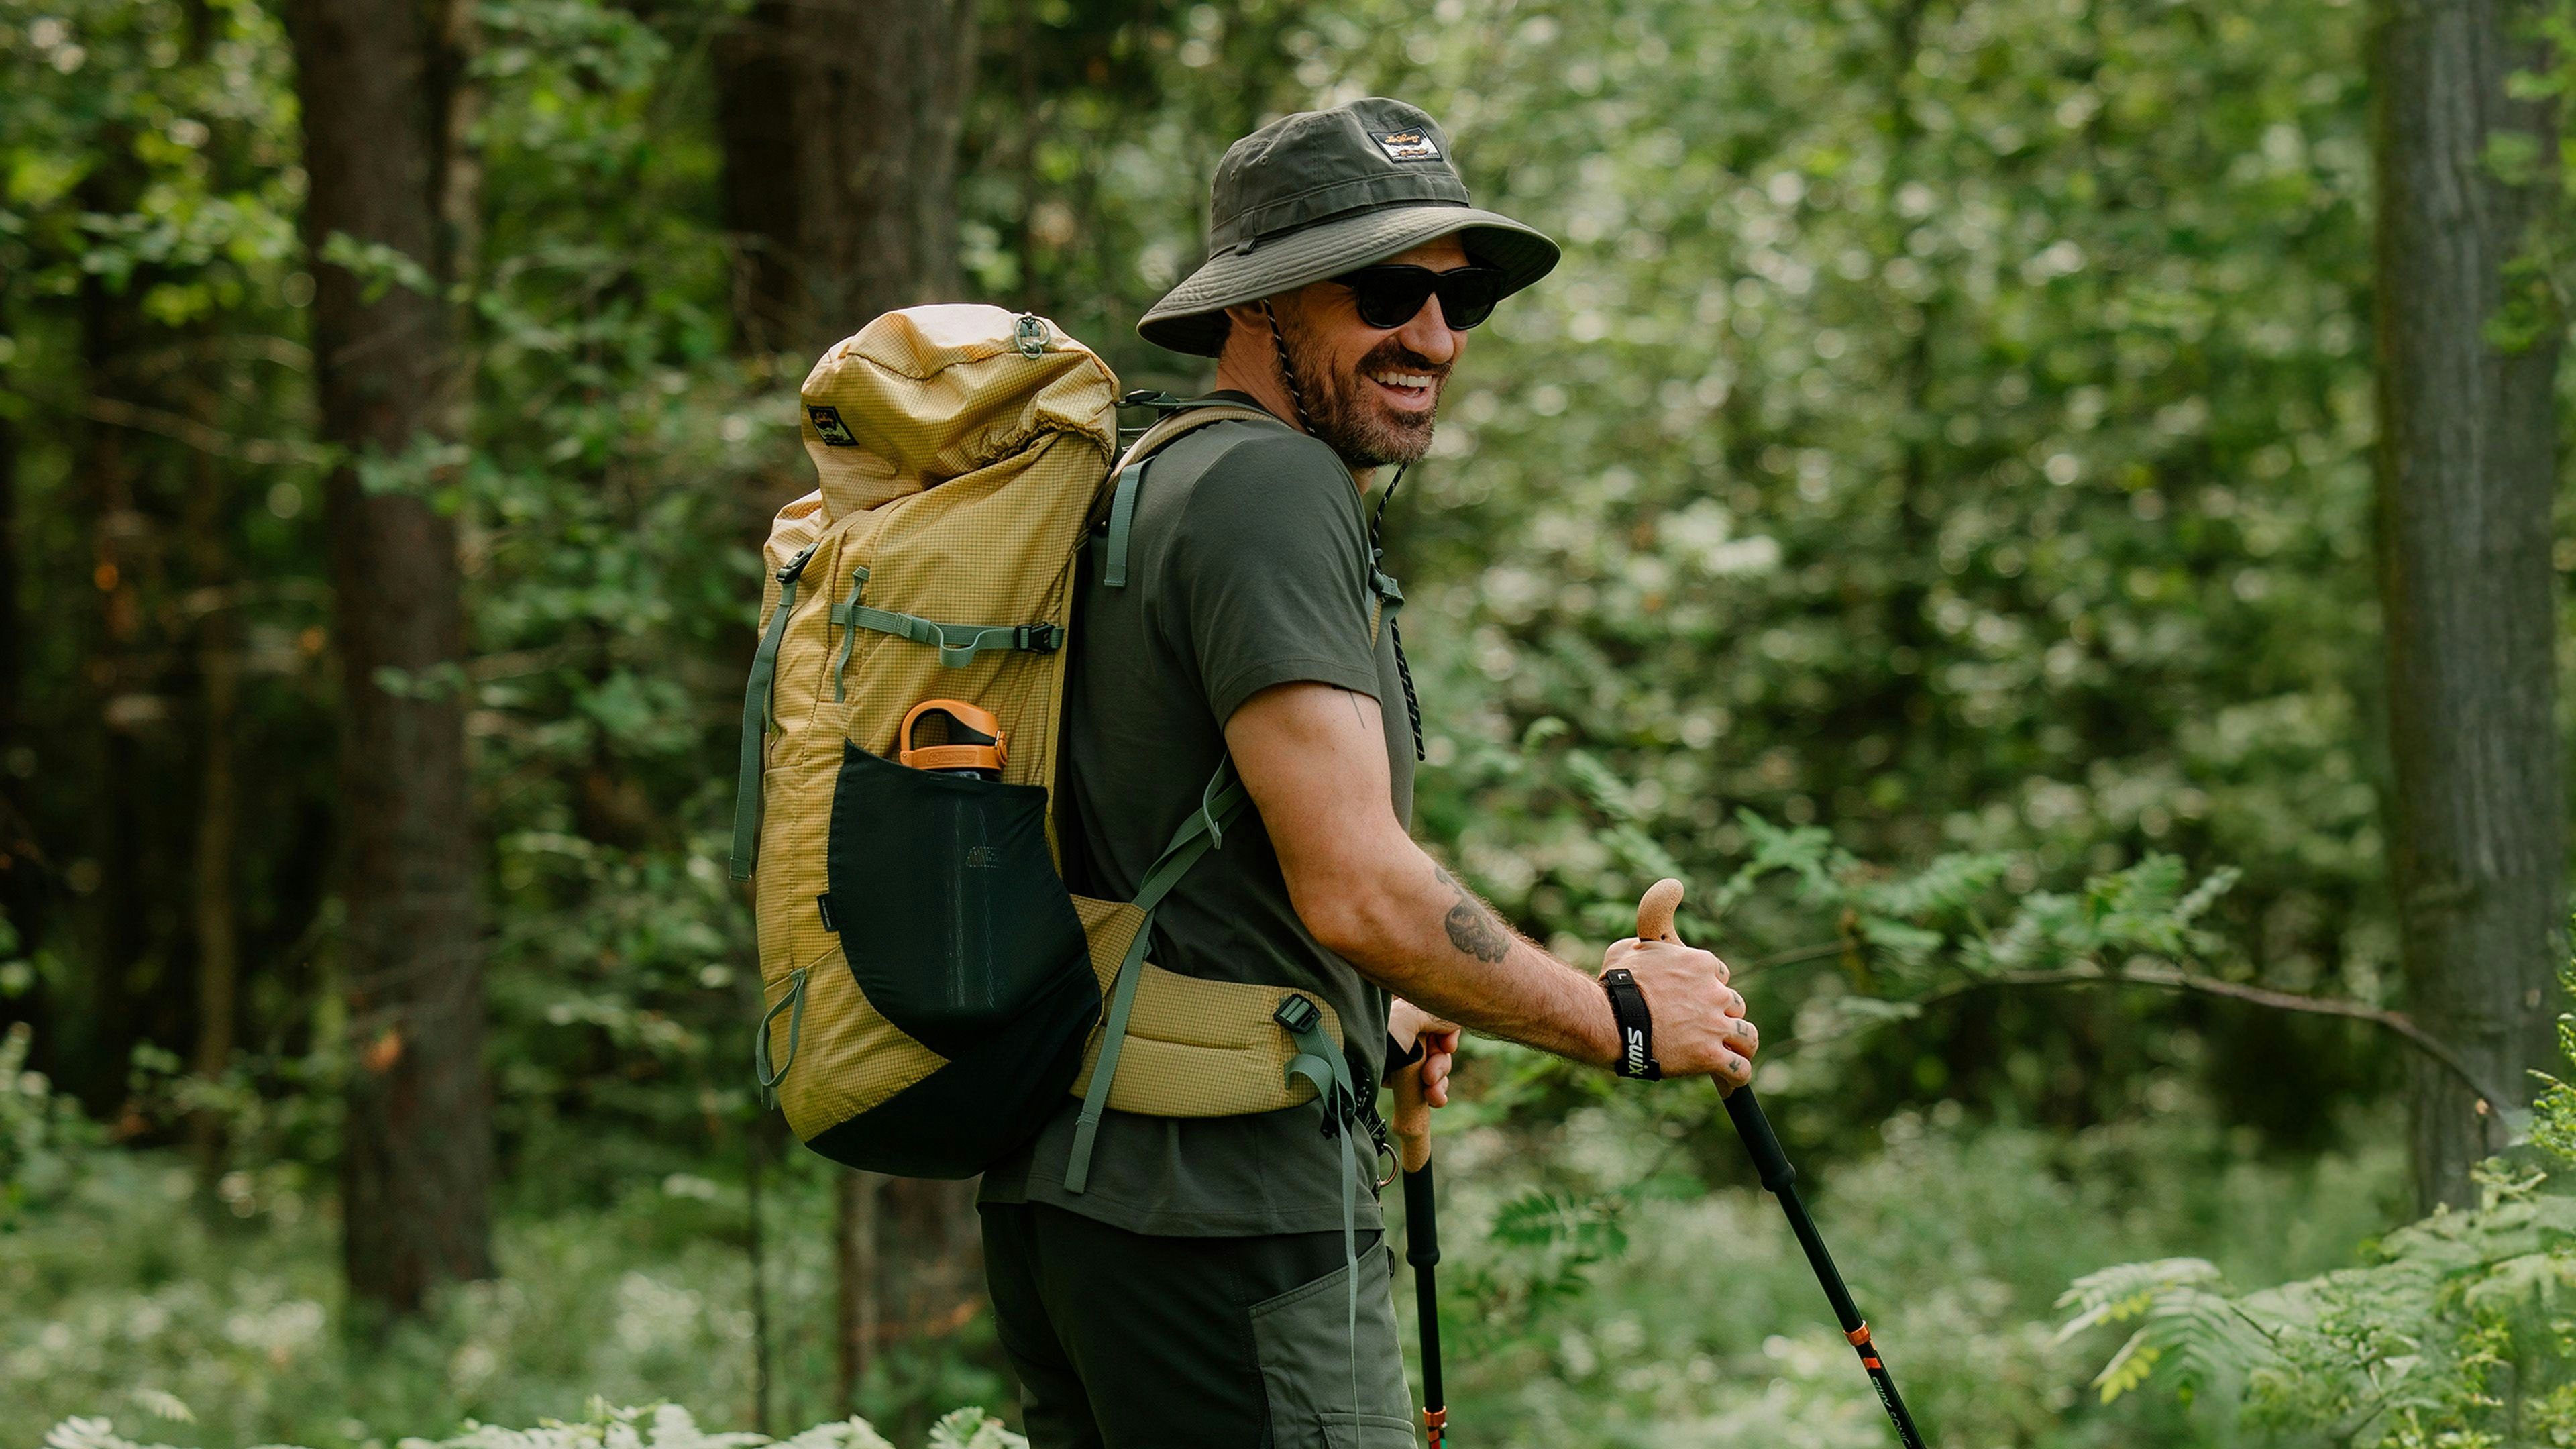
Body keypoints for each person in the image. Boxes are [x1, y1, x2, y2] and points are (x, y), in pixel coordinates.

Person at [976, 97, 1762, 1448]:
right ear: (1258, 306)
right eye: (1389, 290)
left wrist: (1369, 1024)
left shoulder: (1146, 482)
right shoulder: (1269, 491)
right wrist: (1619, 1019)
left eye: (1462, 301)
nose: (1438, 338)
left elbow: (1180, 855)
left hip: (1081, 1203)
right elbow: (1359, 892)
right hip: (1232, 1223)